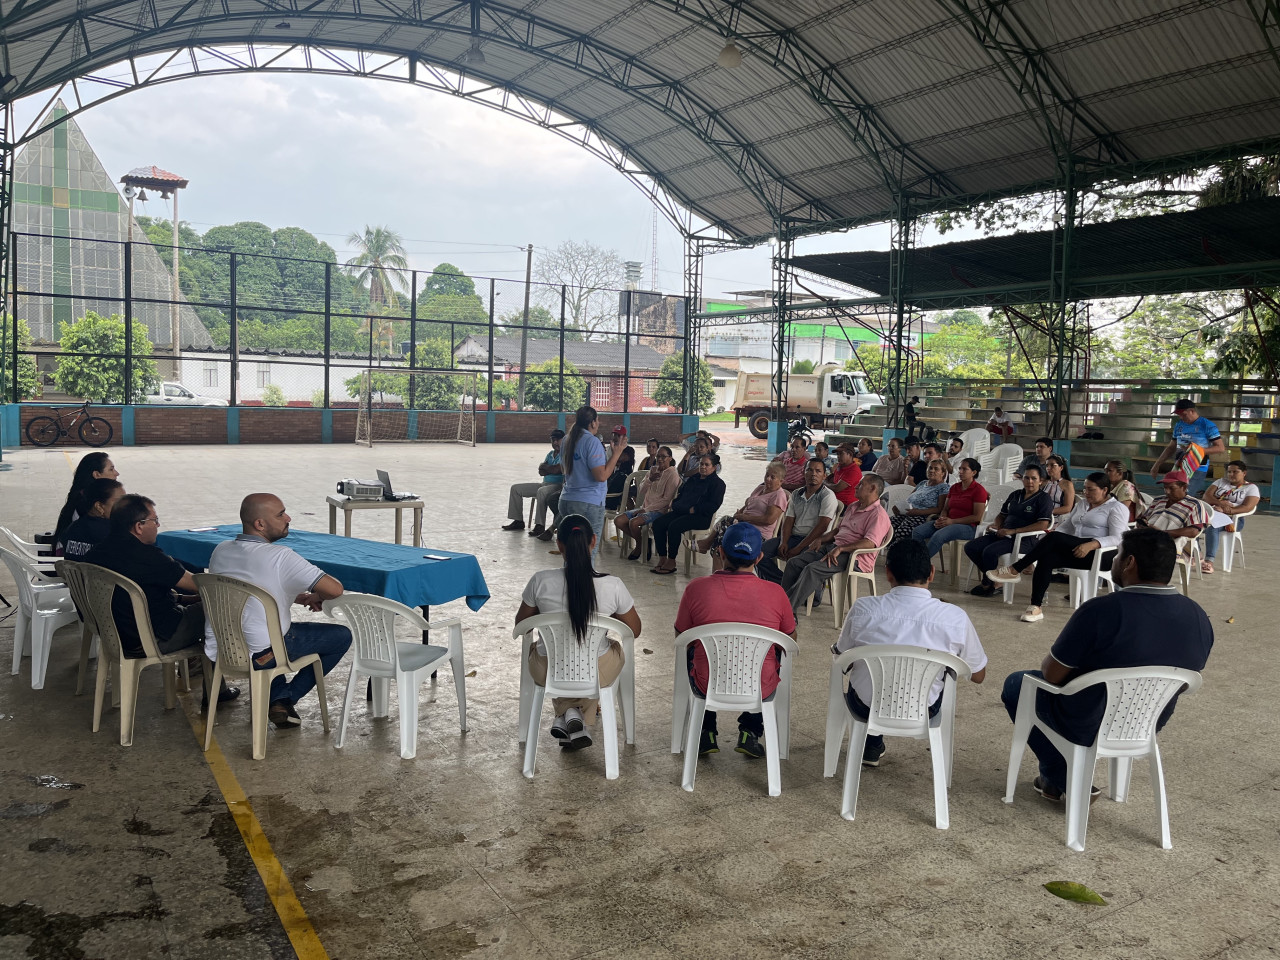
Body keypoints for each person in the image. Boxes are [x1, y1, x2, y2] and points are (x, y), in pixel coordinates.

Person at [1001, 527, 1213, 803]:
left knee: (1018, 684)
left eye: (1118, 554)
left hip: (1086, 720)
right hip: (1147, 721)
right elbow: (1185, 680)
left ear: (1129, 562)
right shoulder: (1198, 615)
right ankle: (1058, 780)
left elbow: (1052, 674)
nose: (1113, 560)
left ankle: (1062, 776)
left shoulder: (1100, 610)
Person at [833, 539, 987, 766]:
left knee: (866, 675)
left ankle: (871, 745)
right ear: (931, 573)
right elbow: (978, 675)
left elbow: (842, 659)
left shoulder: (863, 608)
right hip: (925, 710)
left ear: (888, 573)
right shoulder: (955, 618)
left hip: (866, 707)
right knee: (943, 675)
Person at [204, 494, 350, 727]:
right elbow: (335, 590)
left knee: (266, 630)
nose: (288, 518)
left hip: (226, 648)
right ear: (260, 524)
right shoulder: (281, 556)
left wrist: (295, 597)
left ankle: (278, 698)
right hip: (264, 655)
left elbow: (245, 589)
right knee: (341, 636)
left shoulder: (221, 550)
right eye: (281, 514)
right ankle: (285, 699)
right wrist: (318, 596)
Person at [85, 495, 238, 707]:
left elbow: (141, 594)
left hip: (114, 635)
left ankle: (209, 678)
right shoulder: (147, 556)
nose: (158, 526)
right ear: (139, 526)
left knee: (201, 605)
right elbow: (199, 585)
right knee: (219, 609)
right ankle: (216, 691)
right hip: (153, 637)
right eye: (154, 520)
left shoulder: (97, 552)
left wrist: (182, 598)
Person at [517, 514, 641, 750]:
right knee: (606, 652)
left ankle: (568, 713)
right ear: (593, 541)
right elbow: (634, 630)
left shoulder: (540, 581)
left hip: (547, 669)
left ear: (559, 544)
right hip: (597, 671)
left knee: (560, 657)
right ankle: (577, 716)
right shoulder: (613, 585)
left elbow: (522, 625)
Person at [676, 523, 796, 758]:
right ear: (759, 558)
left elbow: (681, 636)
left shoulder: (696, 589)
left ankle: (705, 732)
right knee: (773, 651)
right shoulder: (776, 593)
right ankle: (750, 732)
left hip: (707, 683)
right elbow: (789, 639)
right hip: (759, 686)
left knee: (693, 648)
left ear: (720, 552)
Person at [990, 472, 1129, 622]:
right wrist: (1049, 540)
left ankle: (1015, 569)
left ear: (1105, 490)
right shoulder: (1082, 504)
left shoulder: (1116, 508)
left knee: (1054, 537)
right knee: (1047, 557)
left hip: (1101, 554)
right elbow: (1066, 527)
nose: (1086, 493)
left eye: (1091, 489)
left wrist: (1092, 544)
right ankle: (1035, 606)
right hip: (1077, 549)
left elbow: (1118, 537)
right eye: (1085, 489)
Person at [782, 475, 890, 614]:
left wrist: (841, 548)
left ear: (873, 488)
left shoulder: (878, 515)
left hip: (854, 556)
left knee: (812, 570)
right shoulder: (854, 506)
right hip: (834, 548)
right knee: (794, 563)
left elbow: (870, 543)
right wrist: (821, 539)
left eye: (861, 484)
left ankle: (787, 612)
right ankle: (782, 604)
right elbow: (838, 530)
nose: (856, 487)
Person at [964, 465, 1054, 597]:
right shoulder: (1015, 495)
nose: (1029, 481)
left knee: (989, 551)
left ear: (1041, 481)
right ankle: (995, 580)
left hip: (1024, 540)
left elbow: (1043, 524)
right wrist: (997, 525)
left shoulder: (1044, 499)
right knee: (971, 547)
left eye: (1034, 478)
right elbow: (1001, 515)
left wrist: (1014, 531)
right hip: (1003, 534)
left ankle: (987, 584)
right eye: (1026, 478)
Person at [558, 405, 628, 556]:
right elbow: (601, 476)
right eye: (598, 420)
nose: (599, 423)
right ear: (593, 422)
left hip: (567, 500)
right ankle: (584, 573)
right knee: (587, 554)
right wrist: (617, 453)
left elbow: (564, 469)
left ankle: (571, 573)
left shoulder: (566, 440)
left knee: (571, 553)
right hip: (587, 503)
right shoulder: (592, 442)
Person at [758, 459, 838, 585]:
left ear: (824, 475)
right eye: (809, 470)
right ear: (803, 473)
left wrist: (798, 548)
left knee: (796, 562)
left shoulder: (827, 496)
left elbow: (822, 526)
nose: (813, 474)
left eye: (818, 471)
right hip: (794, 537)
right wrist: (784, 541)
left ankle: (789, 586)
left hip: (814, 541)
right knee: (759, 553)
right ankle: (783, 583)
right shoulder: (796, 493)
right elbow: (789, 519)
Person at [695, 462, 789, 569]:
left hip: (757, 534)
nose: (768, 479)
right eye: (767, 475)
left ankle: (707, 547)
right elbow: (749, 503)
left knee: (725, 526)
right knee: (722, 536)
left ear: (781, 481)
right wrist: (740, 513)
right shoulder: (760, 488)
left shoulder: (778, 495)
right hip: (745, 526)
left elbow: (769, 520)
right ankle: (716, 563)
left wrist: (745, 518)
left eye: (772, 477)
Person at [649, 454, 726, 575]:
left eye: (707, 465)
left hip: (700, 517)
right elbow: (681, 494)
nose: (703, 467)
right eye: (701, 464)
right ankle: (662, 557)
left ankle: (671, 560)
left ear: (714, 467)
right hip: (682, 511)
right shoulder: (694, 479)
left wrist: (695, 509)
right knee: (658, 524)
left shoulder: (718, 484)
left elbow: (713, 505)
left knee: (674, 526)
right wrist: (676, 504)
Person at [911, 457, 989, 558]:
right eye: (960, 468)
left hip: (968, 527)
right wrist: (942, 519)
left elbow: (977, 517)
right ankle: (919, 559)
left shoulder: (979, 490)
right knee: (918, 532)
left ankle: (921, 562)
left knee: (939, 535)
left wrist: (952, 521)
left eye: (964, 469)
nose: (960, 471)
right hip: (948, 522)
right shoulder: (954, 487)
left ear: (973, 472)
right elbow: (945, 509)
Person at [1150, 398, 1225, 497]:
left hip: (1197, 466)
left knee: (1185, 495)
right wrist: (1157, 464)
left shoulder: (1207, 425)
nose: (1181, 417)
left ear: (1192, 411)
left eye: (1183, 414)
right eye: (1179, 415)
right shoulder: (1179, 425)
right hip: (1179, 465)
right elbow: (1171, 447)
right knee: (1172, 493)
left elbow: (1220, 448)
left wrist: (1195, 451)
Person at [615, 446, 679, 560]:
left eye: (663, 457)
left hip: (659, 511)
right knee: (618, 520)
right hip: (645, 507)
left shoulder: (672, 474)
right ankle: (643, 543)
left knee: (634, 523)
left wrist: (645, 510)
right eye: (658, 456)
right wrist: (650, 479)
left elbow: (666, 500)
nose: (660, 459)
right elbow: (641, 490)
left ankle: (639, 546)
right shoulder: (653, 470)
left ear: (670, 458)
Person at [501, 429, 565, 537]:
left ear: (564, 440)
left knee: (541, 491)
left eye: (558, 440)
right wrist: (549, 468)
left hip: (557, 486)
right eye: (553, 440)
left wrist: (546, 467)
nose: (555, 442)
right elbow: (541, 471)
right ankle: (518, 521)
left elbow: (556, 470)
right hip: (544, 484)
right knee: (515, 489)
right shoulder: (550, 454)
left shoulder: (566, 454)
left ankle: (540, 526)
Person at [1201, 460, 1260, 573]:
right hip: (1213, 513)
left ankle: (1209, 562)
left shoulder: (1251, 488)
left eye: (1235, 472)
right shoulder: (1221, 482)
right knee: (1191, 524)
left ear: (1244, 473)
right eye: (1229, 472)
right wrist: (1220, 503)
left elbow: (1248, 507)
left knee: (1212, 526)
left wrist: (1228, 511)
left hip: (1233, 520)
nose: (1231, 474)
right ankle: (1196, 555)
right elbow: (1206, 496)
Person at [54, 452, 120, 549]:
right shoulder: (86, 503)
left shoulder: (82, 496)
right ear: (96, 474)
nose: (117, 473)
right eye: (111, 469)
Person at [1137, 470, 1212, 544]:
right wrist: (1143, 525)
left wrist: (1162, 533)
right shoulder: (1158, 500)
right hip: (1147, 537)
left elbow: (1193, 531)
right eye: (1165, 488)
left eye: (1172, 488)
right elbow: (1144, 518)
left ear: (1184, 487)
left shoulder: (1194, 504)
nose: (1167, 492)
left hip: (1169, 542)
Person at [61, 478, 124, 559]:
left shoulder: (71, 529)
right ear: (99, 506)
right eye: (119, 502)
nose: (126, 506)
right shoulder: (114, 532)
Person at [889, 459, 949, 544]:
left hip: (922, 516)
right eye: (930, 468)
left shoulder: (944, 487)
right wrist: (899, 508)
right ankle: (889, 550)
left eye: (936, 469)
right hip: (908, 513)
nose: (932, 470)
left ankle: (901, 551)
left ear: (943, 473)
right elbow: (909, 499)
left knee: (901, 532)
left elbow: (940, 509)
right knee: (888, 527)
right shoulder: (922, 483)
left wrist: (918, 512)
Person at [604, 445, 637, 511]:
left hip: (613, 495)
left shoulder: (622, 471)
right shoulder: (619, 466)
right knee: (626, 494)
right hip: (616, 492)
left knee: (626, 494)